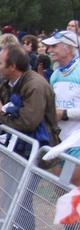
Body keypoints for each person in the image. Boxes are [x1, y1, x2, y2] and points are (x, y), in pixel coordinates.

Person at [0, 44, 60, 157]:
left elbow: (27, 123)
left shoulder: (35, 86)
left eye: (0, 63)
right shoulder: (10, 82)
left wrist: (0, 115)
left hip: (39, 150)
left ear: (12, 66)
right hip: (21, 148)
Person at [43, 30, 80, 183]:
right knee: (60, 187)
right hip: (60, 140)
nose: (49, 50)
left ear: (69, 47)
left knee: (74, 186)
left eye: (54, 46)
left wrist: (64, 114)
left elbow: (62, 111)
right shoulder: (55, 75)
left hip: (77, 139)